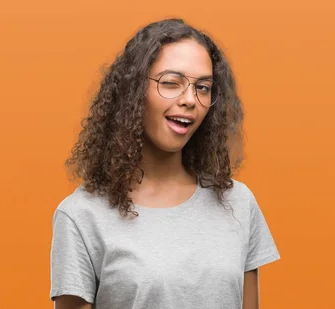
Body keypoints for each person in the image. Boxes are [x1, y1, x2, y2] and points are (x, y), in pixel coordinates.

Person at [49, 18, 280, 309]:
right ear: (133, 92)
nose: (190, 100)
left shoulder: (238, 203)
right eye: (171, 83)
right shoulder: (82, 216)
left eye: (203, 87)